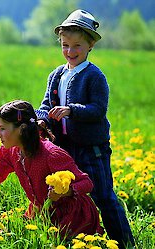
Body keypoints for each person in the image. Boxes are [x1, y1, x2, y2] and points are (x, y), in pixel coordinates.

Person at [35, 9, 134, 249]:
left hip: (93, 149)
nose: (70, 52)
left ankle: (125, 243)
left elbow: (97, 109)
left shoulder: (94, 76)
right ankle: (74, 238)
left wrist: (71, 109)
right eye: (65, 45)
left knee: (103, 196)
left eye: (77, 45)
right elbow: (46, 105)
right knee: (67, 195)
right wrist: (41, 120)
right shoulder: (56, 74)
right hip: (65, 148)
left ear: (90, 45)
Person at [0, 100, 103, 239]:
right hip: (43, 213)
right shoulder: (10, 152)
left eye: (2, 128)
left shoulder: (51, 154)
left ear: (22, 129)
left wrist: (65, 191)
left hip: (74, 217)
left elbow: (87, 183)